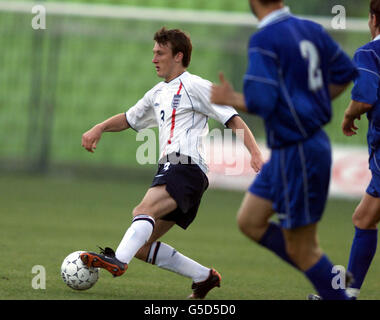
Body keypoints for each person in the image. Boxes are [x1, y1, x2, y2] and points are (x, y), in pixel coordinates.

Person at [80, 27, 264, 299]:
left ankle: (118, 261)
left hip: (184, 166)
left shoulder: (196, 85)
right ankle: (204, 277)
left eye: (160, 53)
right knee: (142, 245)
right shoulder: (157, 93)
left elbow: (233, 118)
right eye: (153, 52)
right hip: (179, 171)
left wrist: (255, 152)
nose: (154, 58)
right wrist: (100, 127)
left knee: (142, 210)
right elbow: (130, 119)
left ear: (178, 56)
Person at [211, 0, 357, 299]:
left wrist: (230, 98)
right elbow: (344, 72)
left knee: (302, 248)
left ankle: (332, 287)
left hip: (299, 151)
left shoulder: (265, 38)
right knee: (250, 221)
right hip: (290, 148)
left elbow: (261, 102)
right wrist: (312, 102)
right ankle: (329, 275)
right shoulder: (310, 28)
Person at [318, 0, 379, 300]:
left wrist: (348, 114)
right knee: (364, 218)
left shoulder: (369, 52)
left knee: (364, 218)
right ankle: (347, 295)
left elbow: (365, 97)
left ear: (373, 18)